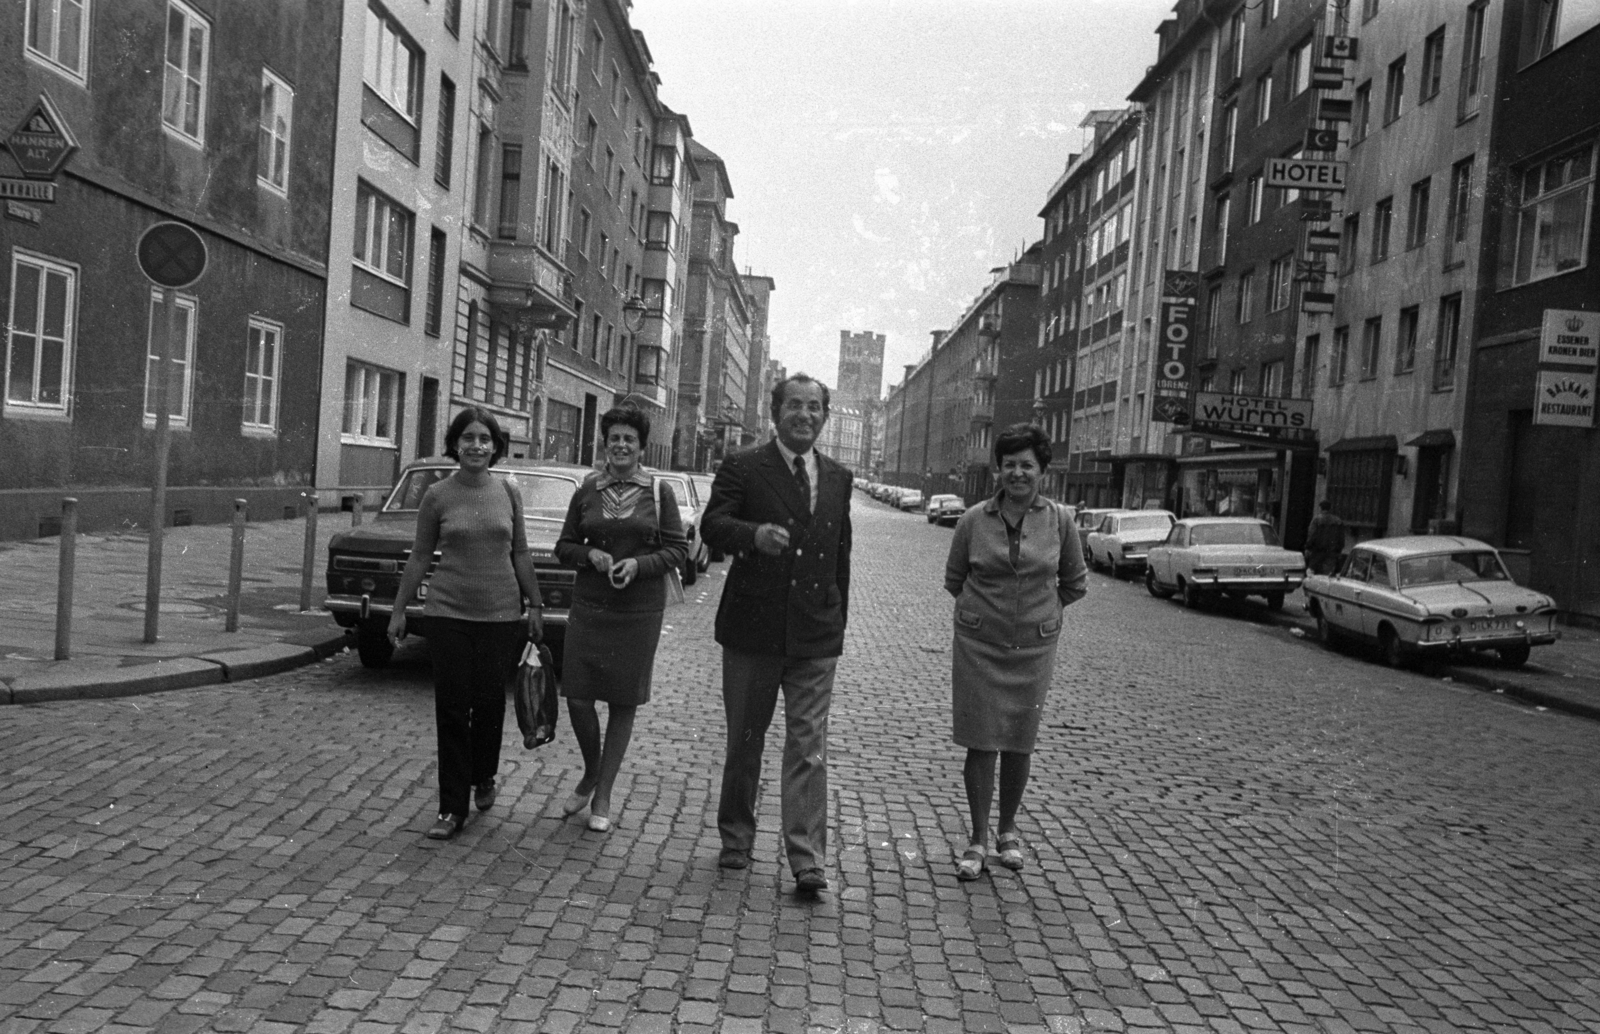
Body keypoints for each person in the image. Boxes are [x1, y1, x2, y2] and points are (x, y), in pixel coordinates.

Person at [702, 373, 852, 895]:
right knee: (746, 738)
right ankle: (737, 837)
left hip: (814, 634)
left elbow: (840, 554)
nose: (804, 415)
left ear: (824, 417)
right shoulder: (744, 465)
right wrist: (752, 536)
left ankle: (807, 859)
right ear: (775, 412)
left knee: (808, 747)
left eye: (814, 407)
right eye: (795, 406)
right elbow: (712, 527)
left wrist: (838, 618)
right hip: (753, 630)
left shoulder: (838, 477)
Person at [389, 407, 544, 841]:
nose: (477, 445)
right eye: (468, 438)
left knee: (490, 703)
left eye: (485, 438)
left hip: (499, 614)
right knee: (452, 707)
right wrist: (400, 610)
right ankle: (450, 808)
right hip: (447, 612)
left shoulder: (508, 491)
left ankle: (484, 775)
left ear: (495, 447)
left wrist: (534, 605)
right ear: (455, 445)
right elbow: (420, 556)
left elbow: (521, 553)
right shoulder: (438, 495)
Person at [944, 423, 1087, 881]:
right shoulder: (972, 520)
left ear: (1042, 471)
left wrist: (1039, 616)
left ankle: (1008, 831)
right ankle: (978, 838)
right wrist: (989, 614)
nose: (1018, 474)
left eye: (1027, 465)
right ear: (998, 470)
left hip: (1033, 648)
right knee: (982, 740)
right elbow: (955, 579)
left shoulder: (1061, 521)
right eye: (1010, 465)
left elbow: (1074, 583)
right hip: (979, 646)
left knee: (1019, 741)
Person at [553, 407, 688, 833]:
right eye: (614, 438)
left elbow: (677, 550)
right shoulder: (588, 489)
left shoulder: (659, 491)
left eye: (630, 438)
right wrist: (589, 554)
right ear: (605, 443)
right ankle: (591, 772)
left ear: (642, 446)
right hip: (590, 605)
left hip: (638, 610)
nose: (622, 445)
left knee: (622, 700)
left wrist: (639, 565)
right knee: (577, 697)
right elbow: (564, 545)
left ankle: (605, 793)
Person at [1305, 500, 1346, 575]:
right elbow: (1341, 538)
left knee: (1311, 571)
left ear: (1320, 508)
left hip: (1317, 551)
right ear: (1330, 509)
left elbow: (1312, 535)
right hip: (1332, 552)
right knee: (1327, 573)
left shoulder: (1316, 520)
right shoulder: (1338, 521)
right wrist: (1339, 550)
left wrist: (1308, 547)